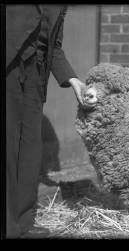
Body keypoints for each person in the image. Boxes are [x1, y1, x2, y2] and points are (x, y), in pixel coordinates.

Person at [6, 5, 86, 238]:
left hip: (36, 73)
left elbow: (55, 47)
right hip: (9, 65)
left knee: (30, 148)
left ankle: (23, 222)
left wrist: (74, 81)